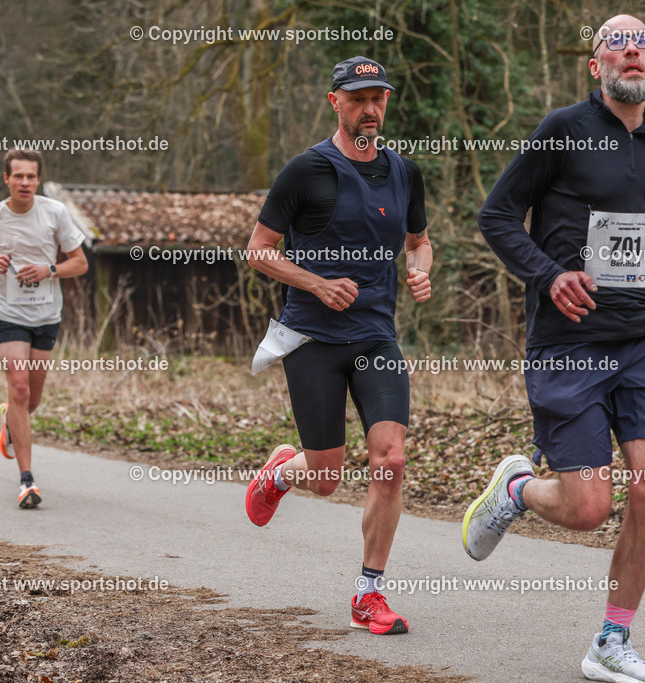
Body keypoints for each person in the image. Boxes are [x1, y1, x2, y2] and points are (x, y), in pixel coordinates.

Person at [465, 14, 645, 683]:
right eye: (616, 43)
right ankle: (518, 488)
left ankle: (612, 641)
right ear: (597, 67)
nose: (632, 51)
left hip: (644, 336)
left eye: (642, 44)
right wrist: (548, 275)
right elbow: (496, 215)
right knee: (589, 509)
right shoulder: (563, 128)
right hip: (570, 342)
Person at [245, 56, 432, 636]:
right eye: (357, 99)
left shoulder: (405, 172)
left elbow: (419, 241)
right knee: (326, 477)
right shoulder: (306, 170)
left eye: (378, 98)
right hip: (313, 339)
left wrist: (420, 269)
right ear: (335, 102)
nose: (369, 109)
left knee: (390, 460)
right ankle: (281, 473)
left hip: (375, 336)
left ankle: (368, 594)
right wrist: (317, 283)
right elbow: (259, 250)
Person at [0, 149, 88, 509]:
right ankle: (27, 481)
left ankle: (8, 419)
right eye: (18, 176)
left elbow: (80, 263)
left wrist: (49, 270)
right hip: (7, 313)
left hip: (46, 315)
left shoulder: (55, 212)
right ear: (6, 179)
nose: (25, 182)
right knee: (18, 387)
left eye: (31, 176)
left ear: (38, 180)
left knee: (31, 401)